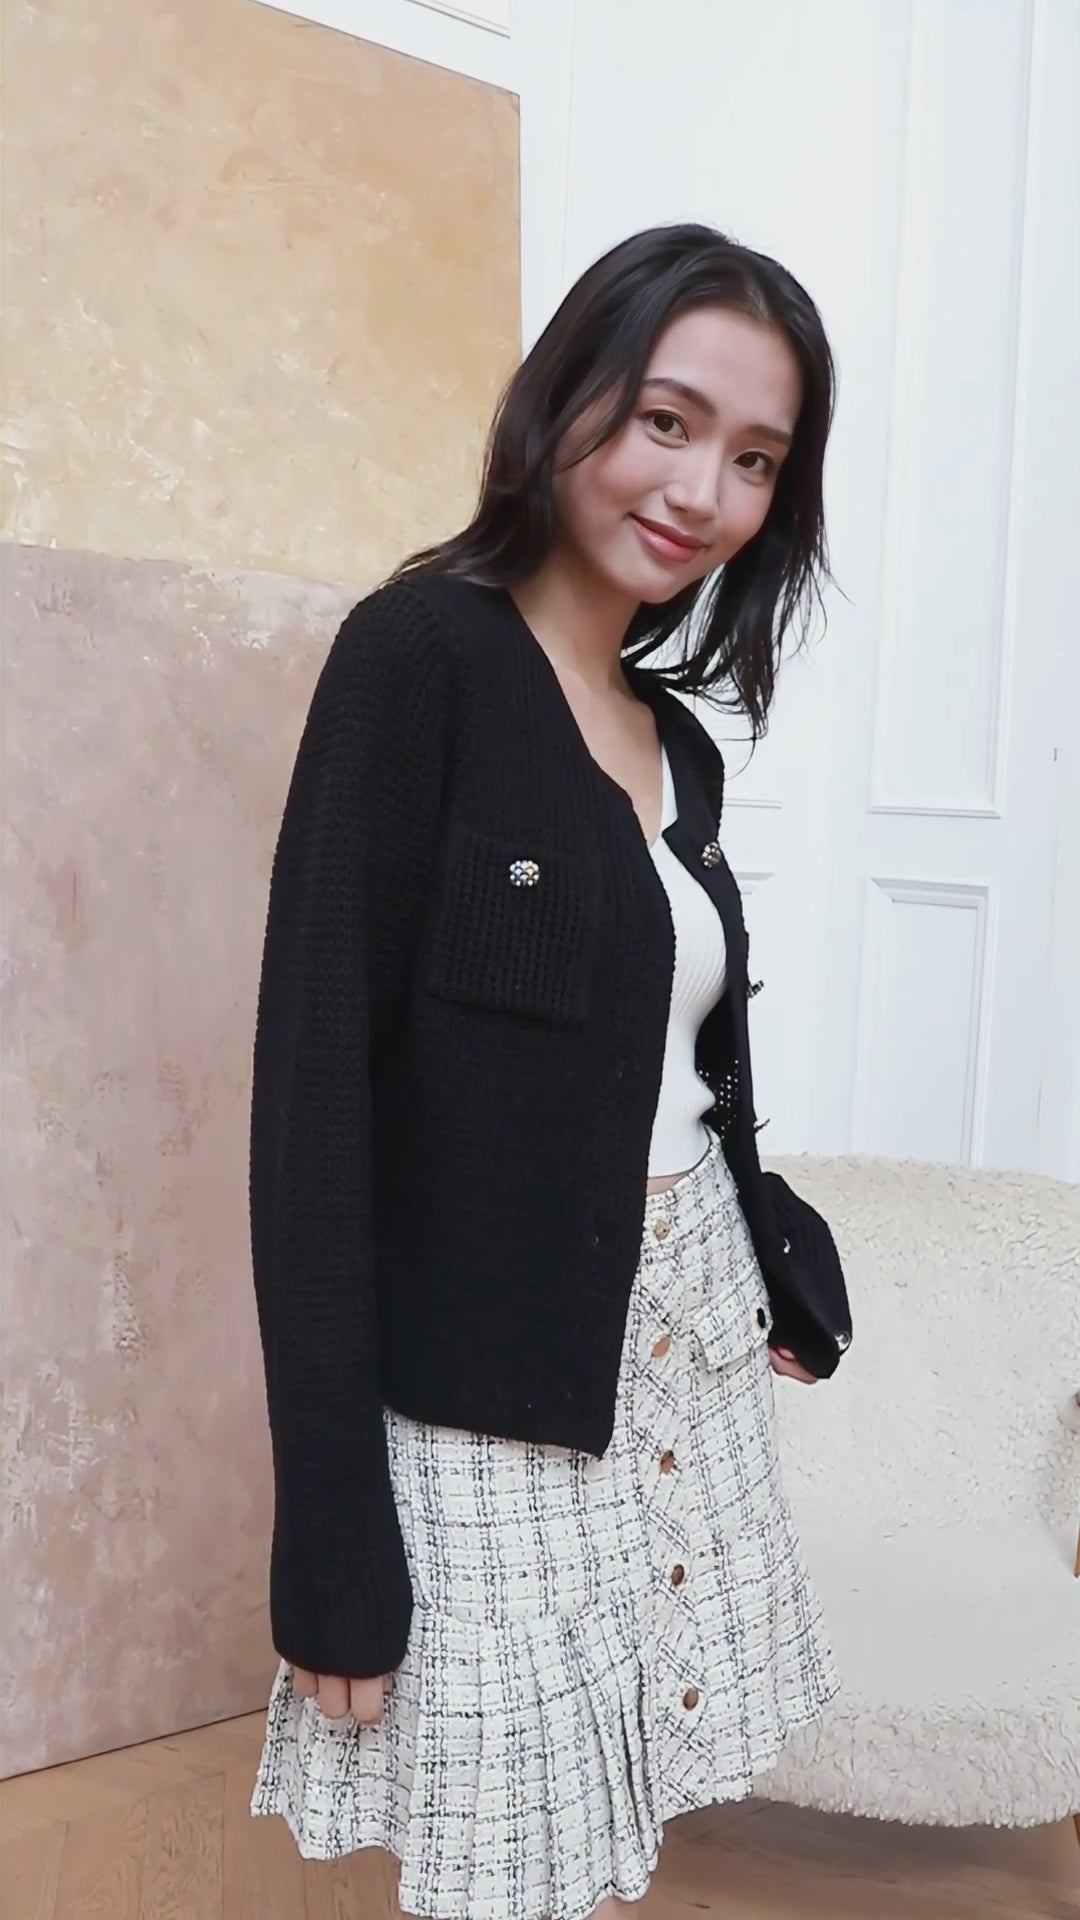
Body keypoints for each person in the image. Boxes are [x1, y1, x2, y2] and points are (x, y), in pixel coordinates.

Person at [248, 222, 853, 1920]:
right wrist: (330, 1528)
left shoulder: (681, 743)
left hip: (683, 1346)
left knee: (615, 1824)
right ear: (568, 394)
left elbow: (669, 1054)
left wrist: (777, 1238)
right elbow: (312, 1111)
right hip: (488, 1396)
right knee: (508, 1852)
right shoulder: (417, 660)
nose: (702, 493)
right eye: (668, 421)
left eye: (755, 459)